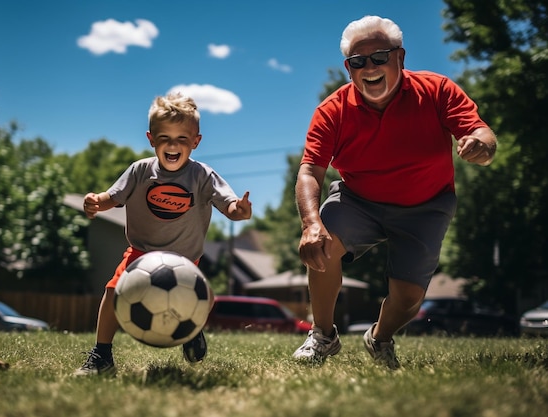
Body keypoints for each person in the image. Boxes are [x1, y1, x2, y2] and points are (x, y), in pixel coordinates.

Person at [292, 15, 497, 368]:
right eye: (358, 62)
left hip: (426, 206)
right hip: (359, 199)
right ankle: (323, 334)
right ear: (348, 68)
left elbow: (482, 133)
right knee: (322, 242)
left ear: (399, 58)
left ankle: (380, 337)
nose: (368, 67)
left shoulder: (436, 90)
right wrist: (311, 223)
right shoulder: (333, 110)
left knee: (408, 298)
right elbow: (310, 170)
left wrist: (481, 145)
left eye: (378, 57)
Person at [74, 92, 252, 376]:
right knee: (112, 291)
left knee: (202, 299)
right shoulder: (140, 171)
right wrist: (96, 201)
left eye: (182, 138)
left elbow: (228, 203)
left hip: (184, 260)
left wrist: (238, 210)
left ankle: (191, 331)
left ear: (196, 141)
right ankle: (102, 356)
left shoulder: (203, 176)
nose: (173, 145)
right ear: (151, 138)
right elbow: (113, 196)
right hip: (140, 254)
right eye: (165, 137)